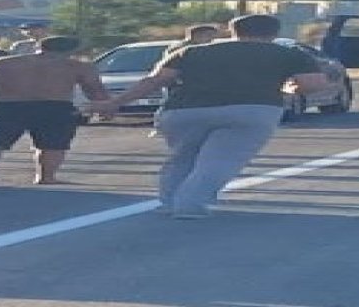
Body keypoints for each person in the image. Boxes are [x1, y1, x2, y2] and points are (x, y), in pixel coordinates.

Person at [98, 14, 328, 219]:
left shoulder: (190, 51)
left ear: (233, 31)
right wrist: (288, 90)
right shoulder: (288, 54)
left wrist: (115, 103)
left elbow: (155, 80)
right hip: (253, 109)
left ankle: (169, 202)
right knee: (221, 159)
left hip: (184, 110)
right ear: (275, 32)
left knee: (182, 156)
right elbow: (313, 84)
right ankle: (190, 204)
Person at [0, 35, 112, 186]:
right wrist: (104, 107)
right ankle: (46, 176)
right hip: (54, 107)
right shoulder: (78, 66)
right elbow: (94, 89)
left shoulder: (2, 63)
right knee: (53, 145)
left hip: (8, 105)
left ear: (39, 47)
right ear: (72, 50)